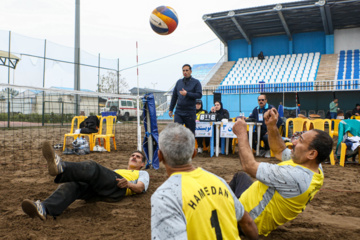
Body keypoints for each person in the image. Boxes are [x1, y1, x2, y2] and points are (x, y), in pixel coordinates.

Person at [229, 108, 333, 236]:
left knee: (213, 192)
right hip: (248, 200)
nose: (293, 142)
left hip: (248, 220)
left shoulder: (296, 177)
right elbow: (280, 151)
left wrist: (241, 134)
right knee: (241, 177)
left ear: (311, 153)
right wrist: (272, 126)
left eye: (300, 140)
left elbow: (249, 165)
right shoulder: (313, 165)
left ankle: (226, 221)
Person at [151, 123, 258, 240]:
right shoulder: (219, 180)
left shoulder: (165, 195)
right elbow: (247, 222)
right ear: (194, 153)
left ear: (159, 156)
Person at [22, 141, 150, 221]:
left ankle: (62, 166)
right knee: (74, 184)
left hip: (118, 188)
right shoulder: (117, 170)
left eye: (138, 157)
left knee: (93, 166)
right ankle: (44, 208)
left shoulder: (142, 173)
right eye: (132, 155)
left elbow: (140, 188)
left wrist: (128, 184)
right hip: (100, 191)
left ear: (142, 164)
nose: (134, 157)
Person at [169, 64, 203, 134]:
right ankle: (178, 145)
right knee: (176, 132)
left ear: (190, 71)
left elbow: (199, 95)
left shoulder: (196, 82)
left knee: (190, 134)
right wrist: (171, 109)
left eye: (187, 70)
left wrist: (187, 94)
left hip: (190, 112)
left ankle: (190, 145)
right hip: (179, 111)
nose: (185, 72)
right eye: (183, 70)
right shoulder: (179, 82)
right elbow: (174, 96)